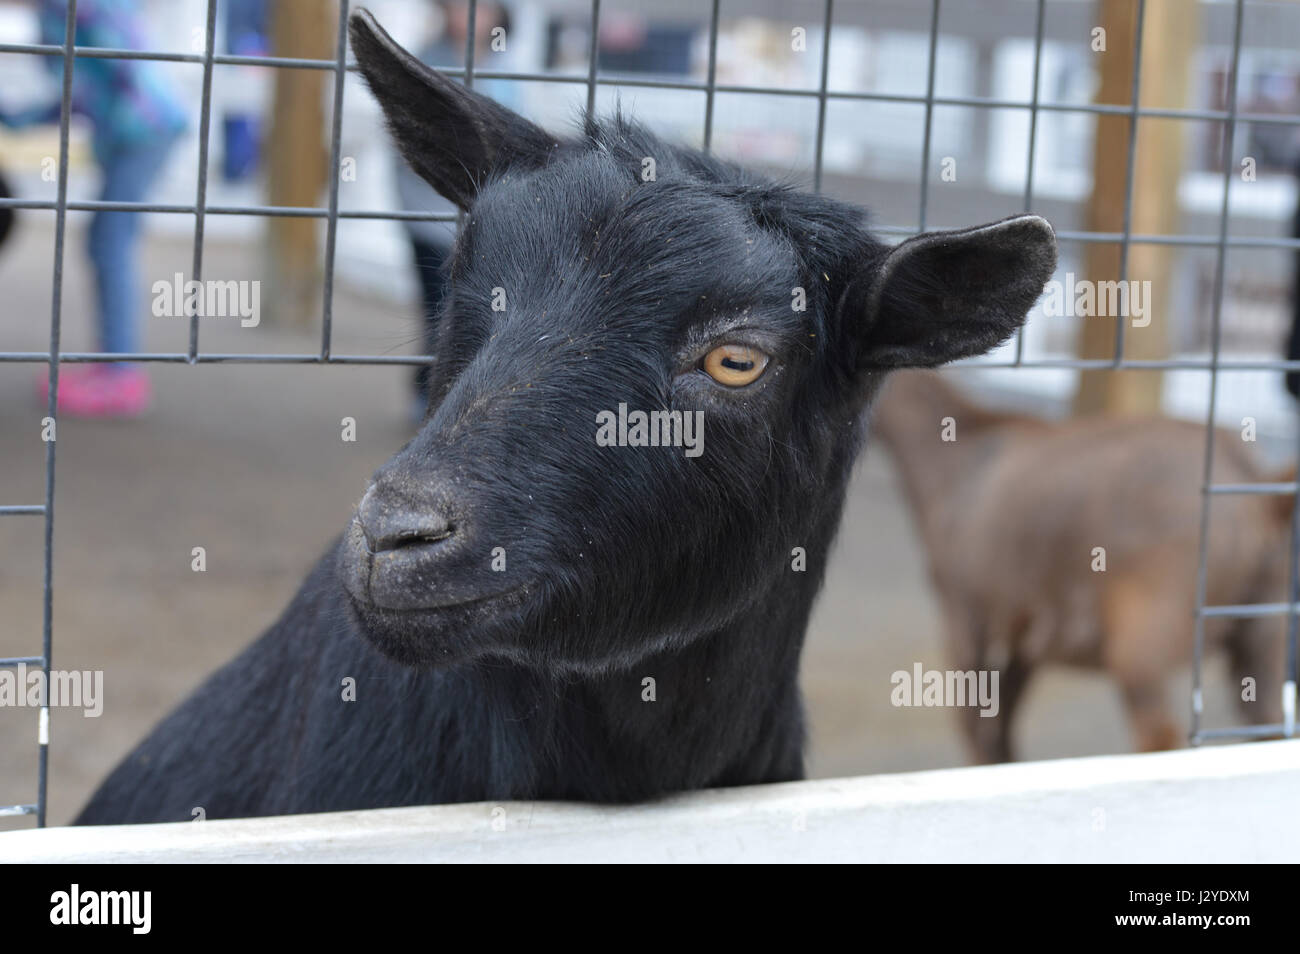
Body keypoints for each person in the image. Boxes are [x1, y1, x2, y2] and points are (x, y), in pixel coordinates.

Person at [0, 0, 186, 417]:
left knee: (110, 244)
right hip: (135, 128)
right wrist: (16, 117)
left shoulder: (74, 8)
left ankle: (121, 376)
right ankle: (112, 365)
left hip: (141, 129)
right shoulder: (57, 13)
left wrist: (111, 99)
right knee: (105, 243)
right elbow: (76, 88)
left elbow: (116, 63)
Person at [400, 0, 516, 415]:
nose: (464, 17)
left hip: (487, 218)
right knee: (438, 304)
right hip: (429, 214)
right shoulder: (425, 62)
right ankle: (429, 393)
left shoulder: (507, 68)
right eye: (455, 7)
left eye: (479, 8)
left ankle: (443, 394)